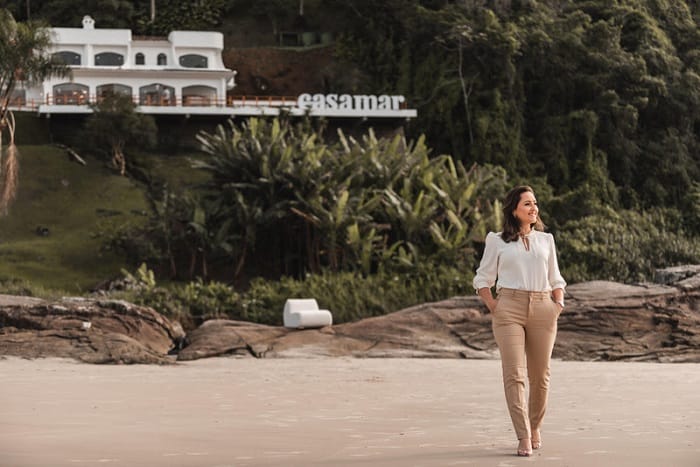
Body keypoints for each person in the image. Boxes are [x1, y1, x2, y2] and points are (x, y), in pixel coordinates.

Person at [473, 185, 566, 457]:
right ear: (514, 209)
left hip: (543, 306)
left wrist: (557, 304)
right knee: (514, 374)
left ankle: (535, 426)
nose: (533, 208)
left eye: (535, 203)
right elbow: (482, 277)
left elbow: (556, 277)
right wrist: (493, 305)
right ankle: (523, 434)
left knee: (541, 376)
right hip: (509, 308)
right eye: (527, 203)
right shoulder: (497, 240)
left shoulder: (546, 240)